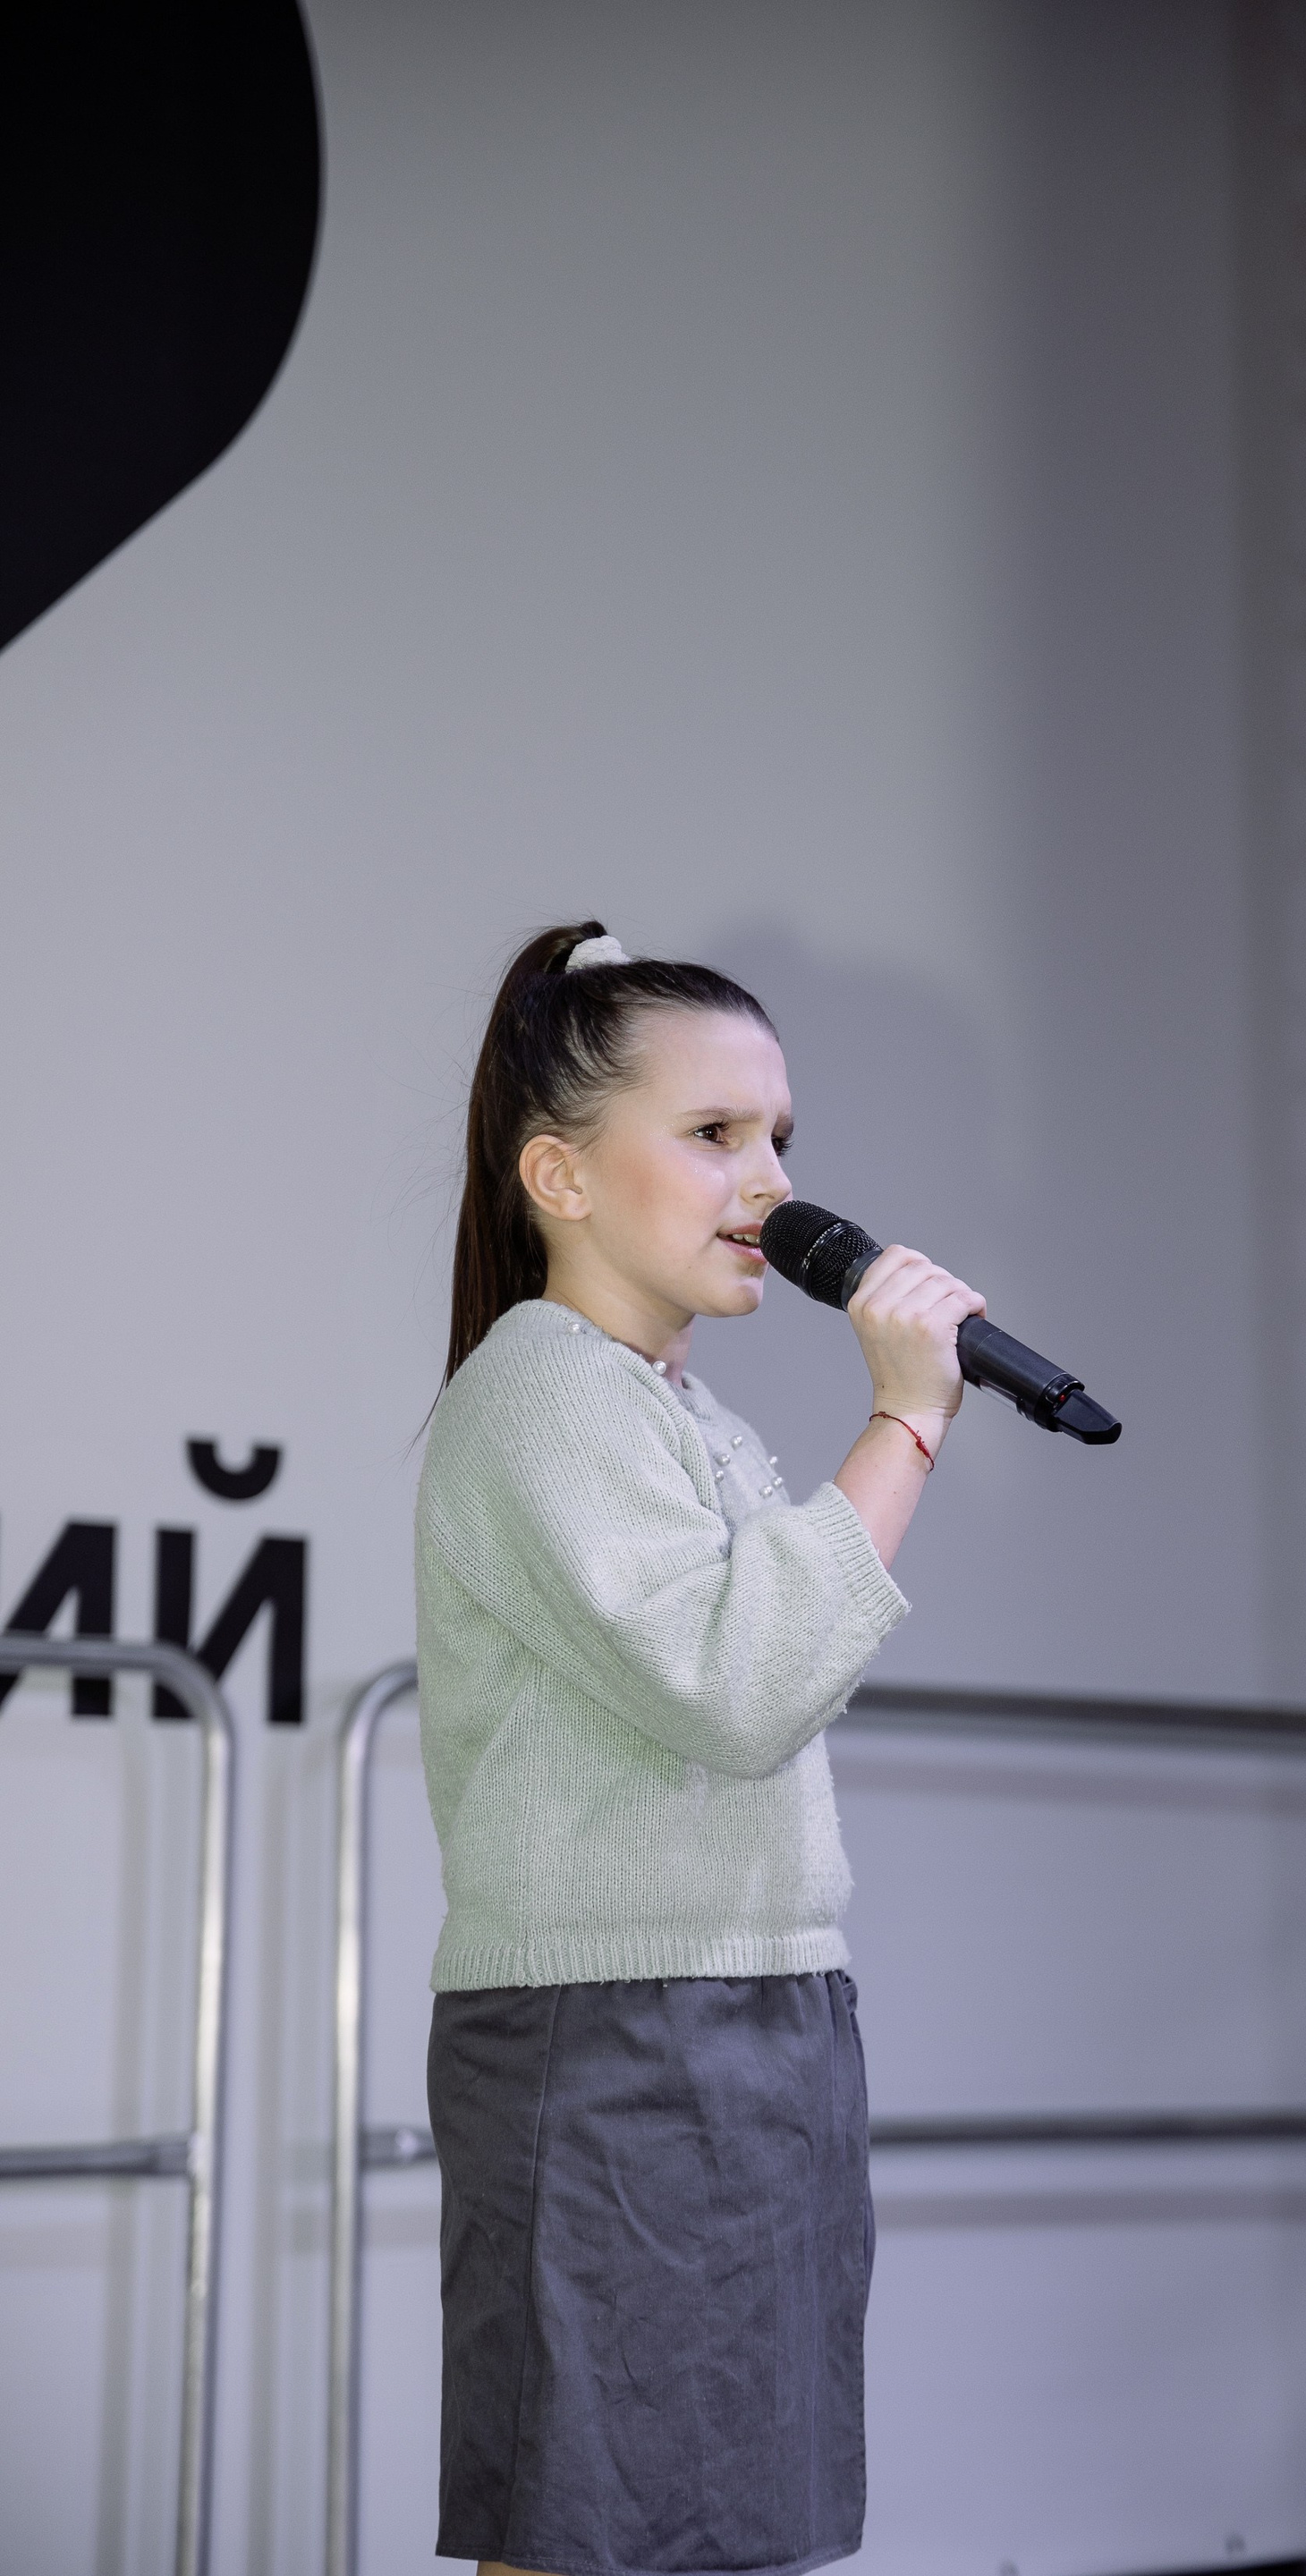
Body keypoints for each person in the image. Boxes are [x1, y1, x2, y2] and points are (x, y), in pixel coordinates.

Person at [418, 922, 984, 2576]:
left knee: (717, 2522)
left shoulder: (682, 1411)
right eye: (716, 1132)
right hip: (614, 2030)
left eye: (781, 1136)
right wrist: (907, 1421)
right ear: (560, 1176)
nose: (771, 1181)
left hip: (757, 2011)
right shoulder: (541, 1389)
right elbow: (739, 1685)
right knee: (591, 2525)